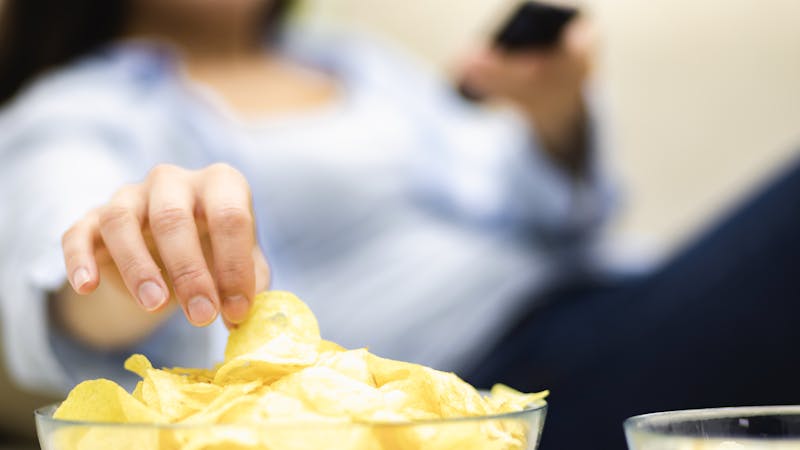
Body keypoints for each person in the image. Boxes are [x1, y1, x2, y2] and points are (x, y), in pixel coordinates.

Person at [0, 0, 608, 442]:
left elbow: (552, 214)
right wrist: (134, 264)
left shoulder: (360, 61)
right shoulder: (77, 108)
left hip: (586, 311)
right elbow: (64, 273)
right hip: (471, 379)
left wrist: (554, 120)